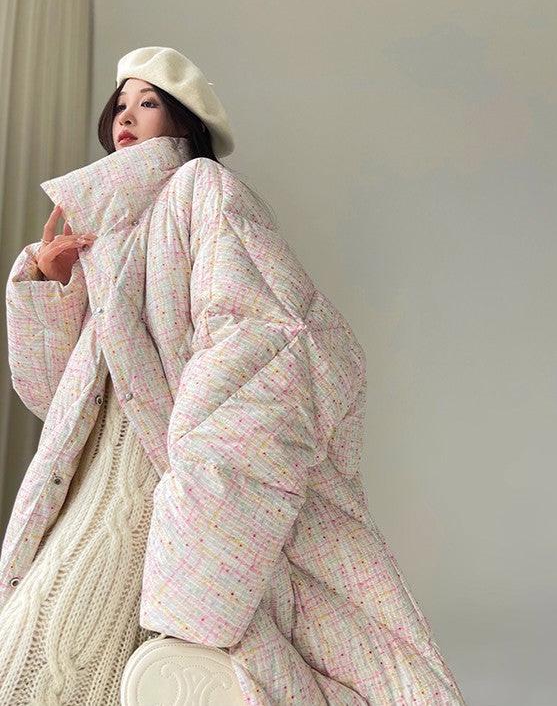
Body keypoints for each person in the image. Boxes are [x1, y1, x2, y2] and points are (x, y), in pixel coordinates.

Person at [0, 47, 468, 705]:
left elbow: (260, 337)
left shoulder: (202, 189)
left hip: (164, 486)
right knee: (43, 653)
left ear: (185, 122)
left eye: (148, 102)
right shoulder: (106, 231)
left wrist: (200, 495)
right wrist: (48, 286)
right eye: (121, 104)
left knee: (60, 661)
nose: (126, 116)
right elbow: (58, 401)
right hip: (90, 489)